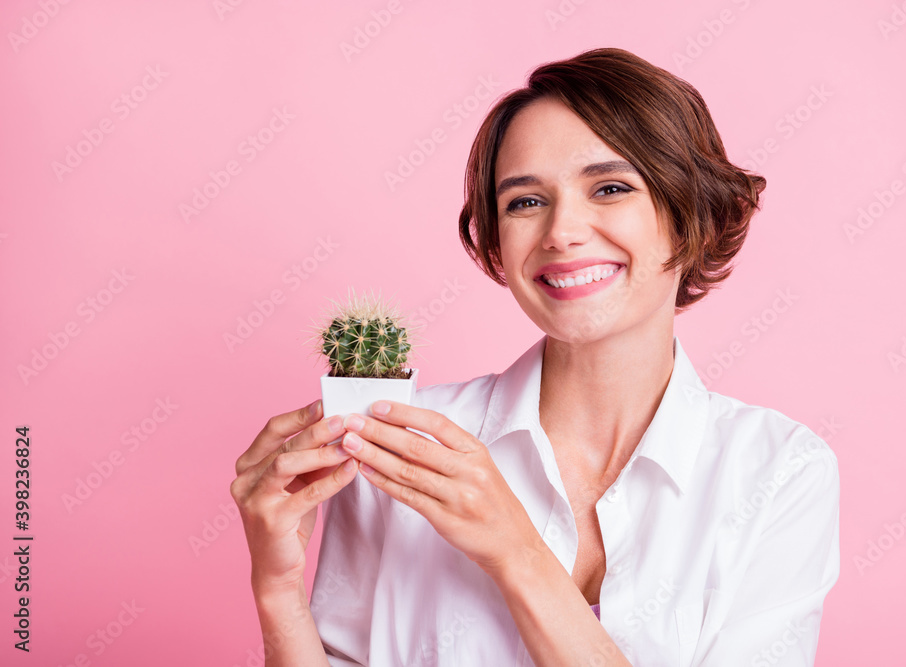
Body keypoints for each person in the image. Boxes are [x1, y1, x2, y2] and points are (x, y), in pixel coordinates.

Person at [230, 47, 840, 666]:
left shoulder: (778, 474)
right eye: (524, 201)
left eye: (609, 187)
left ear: (689, 216)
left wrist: (515, 549)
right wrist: (278, 592)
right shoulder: (400, 449)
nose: (561, 233)